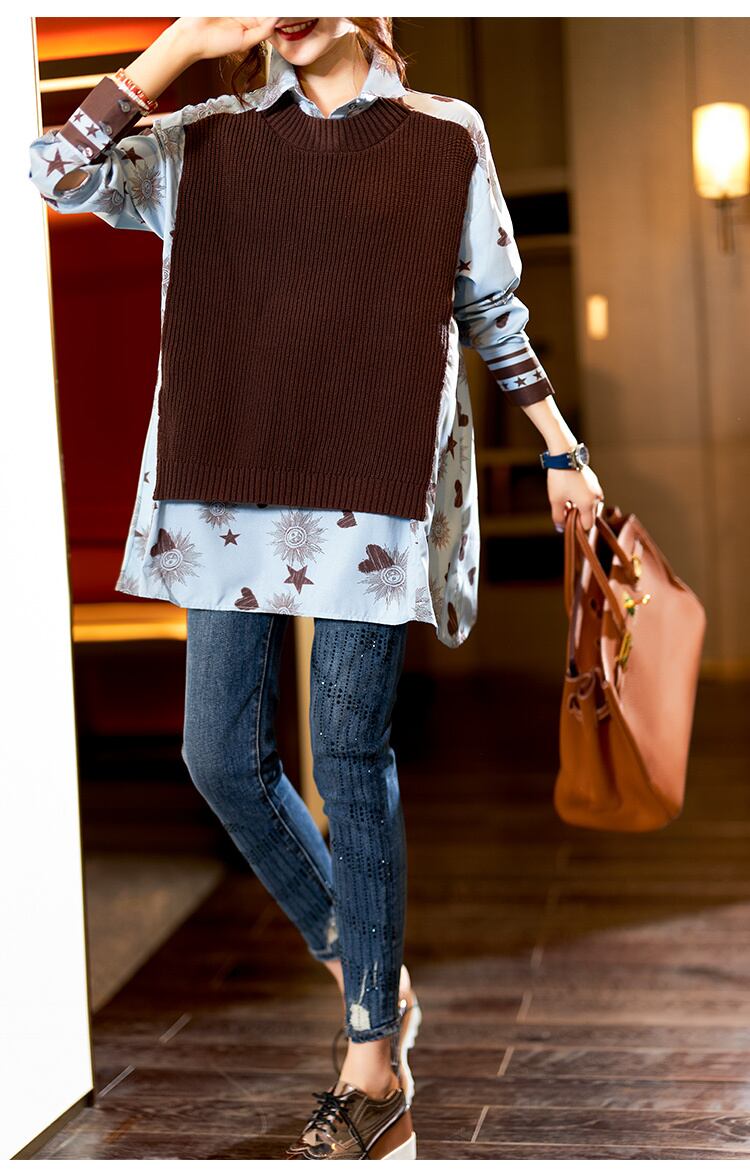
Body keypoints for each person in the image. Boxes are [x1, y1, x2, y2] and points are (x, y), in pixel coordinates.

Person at [29, 15, 604, 1161]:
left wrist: (560, 450)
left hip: (374, 494)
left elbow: (489, 307)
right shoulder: (206, 138)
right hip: (222, 494)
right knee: (218, 756)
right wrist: (178, 45)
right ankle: (368, 965)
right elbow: (54, 174)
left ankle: (373, 1066)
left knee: (348, 757)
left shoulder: (445, 136)